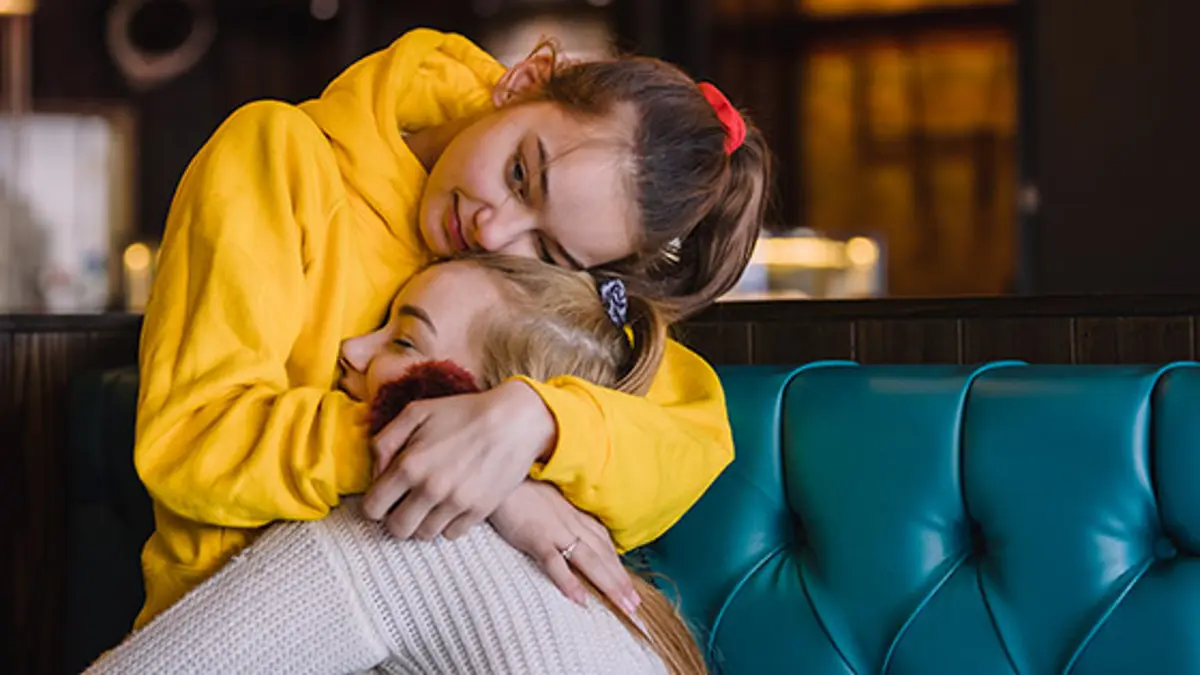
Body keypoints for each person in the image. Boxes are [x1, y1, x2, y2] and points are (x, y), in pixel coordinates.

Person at [132, 26, 771, 630]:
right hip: (233, 614)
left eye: (549, 253)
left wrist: (533, 422)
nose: (494, 233)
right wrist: (470, 466)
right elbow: (192, 441)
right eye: (522, 174)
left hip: (435, 618)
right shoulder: (279, 156)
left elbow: (688, 440)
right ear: (523, 81)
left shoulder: (556, 271)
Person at [87, 256, 707, 675]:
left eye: (403, 341)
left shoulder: (405, 540)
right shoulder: (603, 589)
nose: (350, 349)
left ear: (480, 402)